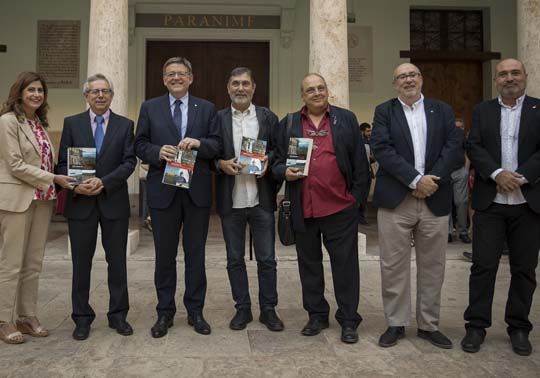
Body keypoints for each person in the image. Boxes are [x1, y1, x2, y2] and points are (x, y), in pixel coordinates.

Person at [272, 73, 369, 344]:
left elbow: (360, 163)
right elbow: (276, 161)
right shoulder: (289, 123)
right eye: (310, 90)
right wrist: (284, 172)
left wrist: (355, 200)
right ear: (302, 96)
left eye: (321, 88)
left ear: (328, 91)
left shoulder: (345, 119)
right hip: (305, 208)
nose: (316, 93)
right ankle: (316, 315)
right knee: (309, 265)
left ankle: (349, 320)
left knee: (345, 266)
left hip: (340, 208)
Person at [371, 63, 463, 349]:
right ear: (394, 83)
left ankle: (428, 325)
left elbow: (453, 147)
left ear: (421, 79)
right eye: (401, 77)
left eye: (413, 75)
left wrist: (430, 181)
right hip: (396, 200)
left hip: (435, 198)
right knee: (393, 265)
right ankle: (396, 323)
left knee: (433, 266)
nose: (408, 80)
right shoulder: (384, 111)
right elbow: (382, 149)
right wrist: (414, 180)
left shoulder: (442, 110)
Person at [134, 57, 220, 338]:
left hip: (196, 193)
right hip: (163, 191)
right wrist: (157, 152)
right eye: (170, 74)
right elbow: (139, 144)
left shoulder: (206, 108)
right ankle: (164, 312)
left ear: (191, 78)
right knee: (165, 256)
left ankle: (195, 311)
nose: (176, 78)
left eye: (181, 73)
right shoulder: (150, 107)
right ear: (163, 79)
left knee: (196, 255)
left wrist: (199, 144)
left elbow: (217, 145)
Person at [462, 58, 540, 356]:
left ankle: (519, 327)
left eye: (515, 73)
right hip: (491, 202)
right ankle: (476, 325)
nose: (509, 78)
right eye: (503, 74)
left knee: (524, 269)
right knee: (483, 266)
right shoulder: (484, 110)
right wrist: (497, 174)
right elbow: (474, 146)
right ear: (496, 80)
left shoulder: (538, 108)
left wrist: (520, 177)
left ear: (525, 76)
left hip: (527, 202)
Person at [57, 73, 136, 340]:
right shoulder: (72, 123)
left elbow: (128, 162)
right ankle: (81, 318)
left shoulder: (125, 125)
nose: (100, 95)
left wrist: (104, 182)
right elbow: (62, 164)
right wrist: (76, 185)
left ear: (112, 95)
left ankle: (118, 315)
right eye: (94, 91)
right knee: (81, 263)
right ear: (86, 96)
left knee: (117, 263)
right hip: (81, 203)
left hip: (113, 202)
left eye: (105, 91)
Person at [0, 72, 74, 344]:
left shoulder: (39, 124)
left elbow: (45, 161)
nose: (36, 95)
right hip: (17, 199)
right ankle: (4, 320)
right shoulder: (8, 121)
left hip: (43, 199)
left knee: (33, 263)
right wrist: (55, 178)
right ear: (19, 92)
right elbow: (15, 165)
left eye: (40, 90)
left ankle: (26, 316)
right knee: (11, 263)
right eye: (30, 89)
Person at [215, 67, 283, 332]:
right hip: (231, 200)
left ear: (254, 87)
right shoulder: (218, 119)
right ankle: (242, 309)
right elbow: (210, 153)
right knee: (234, 258)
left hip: (261, 198)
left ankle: (269, 310)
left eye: (245, 83)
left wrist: (269, 161)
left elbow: (278, 150)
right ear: (228, 88)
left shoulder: (268, 118)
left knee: (267, 259)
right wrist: (221, 163)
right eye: (235, 83)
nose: (240, 88)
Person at [448, 118, 471, 244]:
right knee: (445, 203)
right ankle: (448, 232)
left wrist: (466, 170)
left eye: (460, 127)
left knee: (461, 202)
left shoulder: (462, 136)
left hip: (459, 171)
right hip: (445, 173)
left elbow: (468, 151)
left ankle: (463, 232)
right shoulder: (441, 135)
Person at [358, 122, 375, 224]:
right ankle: (360, 217)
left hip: (368, 172)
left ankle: (362, 216)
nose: (370, 133)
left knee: (365, 196)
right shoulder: (360, 143)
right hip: (361, 174)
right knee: (361, 196)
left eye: (370, 131)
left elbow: (371, 159)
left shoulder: (369, 143)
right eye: (368, 131)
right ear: (362, 131)